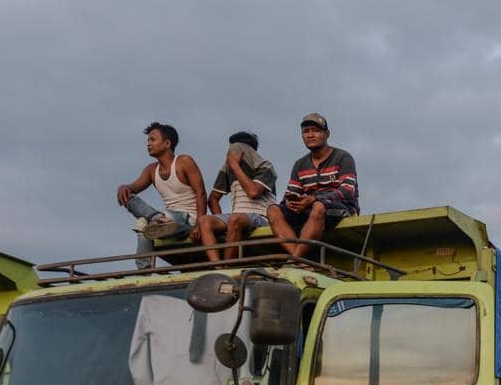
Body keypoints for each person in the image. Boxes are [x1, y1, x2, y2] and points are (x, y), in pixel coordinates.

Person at [116, 122, 207, 269]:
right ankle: (144, 269)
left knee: (146, 224)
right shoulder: (151, 170)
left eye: (153, 140)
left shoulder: (184, 162)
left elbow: (201, 193)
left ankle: (158, 219)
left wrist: (200, 225)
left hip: (188, 219)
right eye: (148, 141)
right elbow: (132, 188)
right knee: (137, 214)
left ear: (167, 143)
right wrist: (123, 187)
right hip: (166, 221)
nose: (148, 144)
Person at [267, 113, 358, 256]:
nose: (310, 135)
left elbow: (347, 190)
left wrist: (315, 199)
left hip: (341, 208)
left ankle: (295, 259)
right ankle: (298, 258)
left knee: (318, 206)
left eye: (315, 130)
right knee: (273, 210)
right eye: (306, 131)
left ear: (326, 134)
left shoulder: (343, 157)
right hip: (309, 208)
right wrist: (291, 202)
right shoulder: (300, 164)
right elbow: (292, 191)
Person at [197, 132, 278, 262]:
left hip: (260, 216)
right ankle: (218, 266)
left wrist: (235, 165)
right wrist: (222, 222)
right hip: (238, 217)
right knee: (204, 221)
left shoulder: (265, 166)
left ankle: (228, 266)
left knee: (235, 219)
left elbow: (253, 192)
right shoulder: (227, 169)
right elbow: (213, 199)